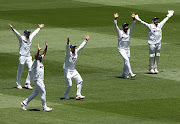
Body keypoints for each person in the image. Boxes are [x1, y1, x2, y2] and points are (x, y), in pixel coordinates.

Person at [9, 24, 44, 89]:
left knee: (31, 68)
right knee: (20, 70)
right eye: (27, 33)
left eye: (29, 33)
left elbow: (34, 33)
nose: (29, 34)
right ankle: (18, 83)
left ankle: (27, 83)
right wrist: (13, 29)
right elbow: (18, 35)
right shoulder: (22, 38)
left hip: (28, 57)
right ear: (25, 34)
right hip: (22, 56)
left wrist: (39, 28)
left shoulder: (30, 38)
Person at [21, 41, 52, 112]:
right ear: (37, 57)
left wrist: (46, 47)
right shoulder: (34, 63)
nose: (41, 56)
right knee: (43, 92)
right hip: (37, 80)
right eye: (39, 56)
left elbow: (44, 53)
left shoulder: (40, 61)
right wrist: (38, 50)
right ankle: (44, 107)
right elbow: (36, 56)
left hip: (41, 80)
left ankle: (24, 103)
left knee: (35, 93)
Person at [63, 34, 91, 100]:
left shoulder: (76, 52)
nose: (74, 48)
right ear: (70, 49)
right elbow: (67, 49)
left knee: (80, 81)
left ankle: (78, 94)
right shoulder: (68, 54)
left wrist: (86, 40)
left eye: (74, 47)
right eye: (73, 48)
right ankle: (66, 94)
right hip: (67, 70)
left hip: (73, 70)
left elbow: (81, 47)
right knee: (69, 85)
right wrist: (68, 43)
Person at [114, 12, 136, 78]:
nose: (127, 27)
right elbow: (115, 26)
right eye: (125, 26)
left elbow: (133, 25)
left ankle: (124, 74)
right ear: (123, 27)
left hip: (127, 49)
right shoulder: (120, 32)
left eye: (127, 26)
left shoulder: (129, 31)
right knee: (126, 60)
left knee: (126, 61)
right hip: (121, 49)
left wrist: (134, 19)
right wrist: (115, 19)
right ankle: (130, 73)